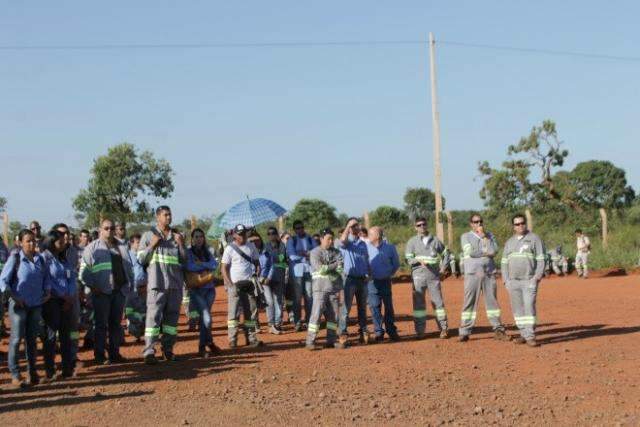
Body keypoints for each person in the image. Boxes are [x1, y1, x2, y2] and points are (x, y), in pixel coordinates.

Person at [0, 229, 50, 388]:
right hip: (19, 307)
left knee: (32, 341)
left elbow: (46, 279)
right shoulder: (15, 259)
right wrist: (14, 297)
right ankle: (15, 374)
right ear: (20, 242)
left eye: (34, 241)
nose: (32, 243)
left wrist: (47, 291)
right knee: (15, 340)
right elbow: (3, 281)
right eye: (28, 241)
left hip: (35, 306)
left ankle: (32, 372)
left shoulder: (40, 260)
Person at [138, 206, 187, 364]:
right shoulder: (148, 235)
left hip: (174, 286)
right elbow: (141, 259)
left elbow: (184, 260)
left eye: (170, 214)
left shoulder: (176, 236)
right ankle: (149, 352)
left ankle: (168, 350)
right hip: (156, 284)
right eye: (165, 215)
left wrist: (181, 244)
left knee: (171, 322)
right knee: (153, 319)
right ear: (157, 217)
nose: (169, 217)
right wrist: (152, 245)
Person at [81, 219, 133, 364]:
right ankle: (99, 356)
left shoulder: (121, 246)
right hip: (101, 293)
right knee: (101, 325)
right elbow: (84, 273)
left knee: (116, 324)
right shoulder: (92, 248)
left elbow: (128, 267)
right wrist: (93, 287)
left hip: (119, 291)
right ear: (100, 230)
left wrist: (129, 286)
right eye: (106, 228)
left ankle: (114, 353)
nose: (109, 231)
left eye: (111, 228)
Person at [458, 214, 509, 342]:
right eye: (475, 222)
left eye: (480, 222)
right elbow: (470, 252)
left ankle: (498, 329)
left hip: (488, 273)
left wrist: (484, 238)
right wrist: (486, 252)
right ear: (471, 224)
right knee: (469, 302)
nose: (479, 224)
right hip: (472, 274)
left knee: (492, 301)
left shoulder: (490, 235)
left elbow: (495, 250)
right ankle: (464, 331)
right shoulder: (466, 236)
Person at [501, 213, 546, 347]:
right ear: (513, 226)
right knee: (518, 310)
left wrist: (536, 277)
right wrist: (506, 280)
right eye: (517, 224)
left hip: (529, 281)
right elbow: (504, 262)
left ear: (525, 223)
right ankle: (523, 334)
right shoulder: (509, 242)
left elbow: (541, 259)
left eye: (522, 223)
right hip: (513, 282)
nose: (520, 226)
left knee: (529, 307)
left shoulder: (534, 239)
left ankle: (530, 336)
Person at [404, 217, 451, 339]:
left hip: (433, 276)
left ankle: (444, 328)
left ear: (427, 225)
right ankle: (420, 331)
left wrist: (443, 269)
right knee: (419, 305)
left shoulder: (435, 240)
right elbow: (408, 259)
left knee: (438, 303)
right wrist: (418, 260)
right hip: (418, 277)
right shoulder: (412, 242)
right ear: (415, 227)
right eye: (419, 225)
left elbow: (446, 253)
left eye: (423, 224)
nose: (422, 227)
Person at [41, 229, 79, 380]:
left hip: (67, 302)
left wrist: (69, 297)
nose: (64, 245)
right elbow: (47, 280)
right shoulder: (44, 259)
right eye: (60, 242)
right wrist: (62, 295)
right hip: (52, 302)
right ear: (51, 242)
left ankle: (67, 368)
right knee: (50, 337)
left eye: (65, 242)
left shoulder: (64, 259)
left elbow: (71, 279)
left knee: (66, 336)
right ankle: (50, 370)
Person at [221, 224, 263, 349]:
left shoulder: (251, 246)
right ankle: (232, 340)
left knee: (250, 314)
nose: (242, 236)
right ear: (234, 235)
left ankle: (251, 339)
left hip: (249, 284)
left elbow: (257, 263)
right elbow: (223, 268)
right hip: (235, 285)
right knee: (233, 315)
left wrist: (256, 273)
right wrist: (229, 284)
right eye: (239, 234)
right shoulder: (229, 249)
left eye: (244, 234)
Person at [306, 228, 347, 350]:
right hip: (320, 289)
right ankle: (310, 341)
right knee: (316, 315)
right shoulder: (314, 252)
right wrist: (334, 265)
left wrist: (332, 267)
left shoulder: (336, 252)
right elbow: (320, 269)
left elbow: (340, 269)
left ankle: (331, 340)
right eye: (328, 239)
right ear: (321, 239)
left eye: (332, 239)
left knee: (333, 317)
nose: (331, 241)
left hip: (333, 289)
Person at [186, 228, 221, 357]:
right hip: (196, 290)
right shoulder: (189, 252)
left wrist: (202, 264)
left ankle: (209, 343)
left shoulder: (208, 251)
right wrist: (206, 265)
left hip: (210, 289)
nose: (199, 238)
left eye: (201, 236)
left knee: (205, 319)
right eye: (196, 236)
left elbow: (214, 265)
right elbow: (190, 266)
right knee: (207, 318)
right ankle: (202, 347)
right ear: (192, 239)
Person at [337, 217, 371, 344]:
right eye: (353, 225)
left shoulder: (362, 243)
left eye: (357, 225)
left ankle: (363, 331)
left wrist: (369, 273)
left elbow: (366, 260)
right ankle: (343, 332)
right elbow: (341, 241)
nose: (356, 227)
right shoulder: (346, 242)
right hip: (349, 279)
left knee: (362, 308)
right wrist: (348, 226)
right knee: (346, 308)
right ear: (349, 228)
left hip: (362, 279)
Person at [366, 226, 400, 342]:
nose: (368, 236)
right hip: (371, 282)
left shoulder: (390, 248)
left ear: (377, 236)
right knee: (374, 306)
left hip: (385, 281)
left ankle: (391, 330)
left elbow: (396, 264)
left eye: (370, 234)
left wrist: (389, 273)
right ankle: (379, 331)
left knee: (388, 307)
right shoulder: (366, 248)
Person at [286, 220, 316, 331]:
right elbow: (292, 256)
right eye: (297, 228)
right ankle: (297, 322)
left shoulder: (310, 238)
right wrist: (306, 255)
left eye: (301, 227)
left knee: (309, 297)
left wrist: (304, 254)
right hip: (297, 273)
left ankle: (309, 321)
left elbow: (316, 251)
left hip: (309, 271)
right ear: (294, 230)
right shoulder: (291, 240)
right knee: (297, 298)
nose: (300, 229)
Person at [263, 227, 287, 334]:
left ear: (276, 234)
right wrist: (274, 259)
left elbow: (281, 258)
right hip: (267, 277)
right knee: (269, 301)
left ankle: (278, 322)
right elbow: (265, 260)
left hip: (279, 276)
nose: (271, 235)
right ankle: (271, 323)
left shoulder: (282, 245)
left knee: (279, 300)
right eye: (269, 233)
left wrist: (272, 258)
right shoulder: (266, 245)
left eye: (273, 233)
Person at [124, 233, 147, 342]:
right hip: (132, 289)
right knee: (132, 312)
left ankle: (140, 333)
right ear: (131, 243)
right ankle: (134, 331)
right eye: (138, 242)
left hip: (144, 288)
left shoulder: (143, 255)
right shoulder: (128, 256)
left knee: (144, 311)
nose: (140, 245)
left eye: (141, 242)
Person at [0, 238, 9, 339]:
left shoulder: (3, 246)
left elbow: (7, 261)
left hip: (1, 280)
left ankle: (1, 327)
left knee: (1, 307)